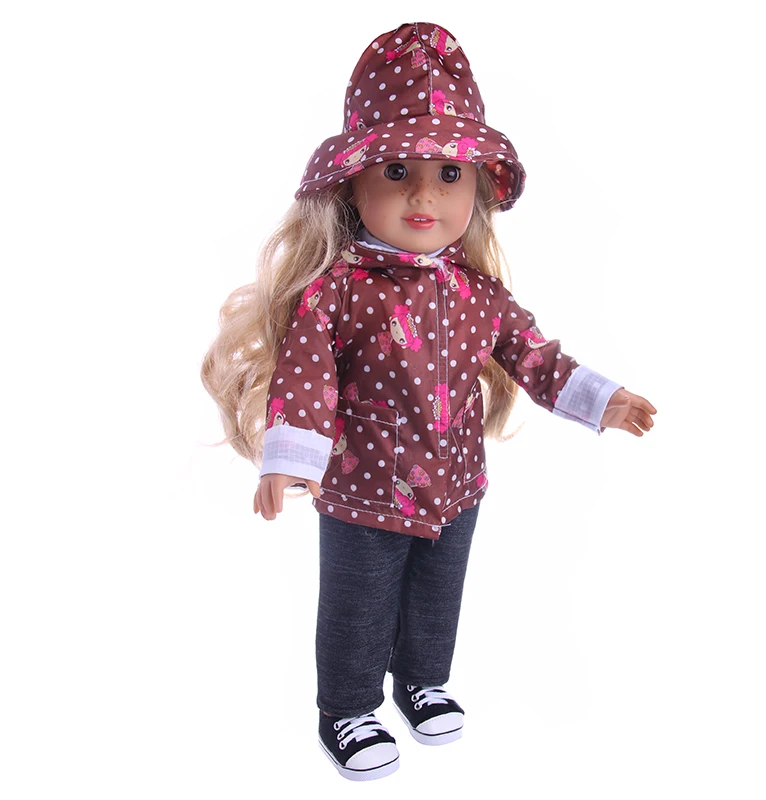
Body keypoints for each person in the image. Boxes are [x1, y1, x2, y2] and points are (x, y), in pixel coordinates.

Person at [202, 21, 656, 782]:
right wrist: (288, 457)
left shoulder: (479, 292)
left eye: (449, 172)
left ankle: (422, 682)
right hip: (365, 486)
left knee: (437, 597)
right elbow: (307, 377)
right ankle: (347, 708)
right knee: (358, 604)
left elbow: (533, 354)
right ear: (352, 183)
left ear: (478, 186)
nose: (423, 194)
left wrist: (599, 400)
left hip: (457, 483)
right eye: (397, 170)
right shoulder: (336, 291)